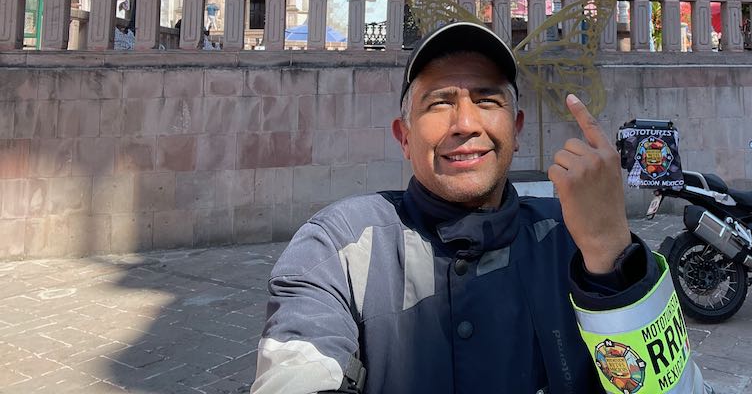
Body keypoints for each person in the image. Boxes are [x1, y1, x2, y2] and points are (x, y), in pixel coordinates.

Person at [252, 22, 706, 394]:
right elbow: (296, 366)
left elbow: (675, 388)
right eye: (439, 103)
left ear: (517, 128)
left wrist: (612, 255)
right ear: (404, 137)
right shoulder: (339, 247)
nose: (466, 123)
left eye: (487, 100)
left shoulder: (573, 239)